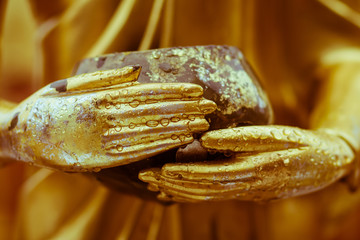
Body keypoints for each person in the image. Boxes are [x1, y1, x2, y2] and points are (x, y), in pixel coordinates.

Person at [1, 0, 360, 239]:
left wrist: (341, 141)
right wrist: (18, 130)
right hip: (82, 212)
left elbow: (347, 47)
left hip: (276, 206)